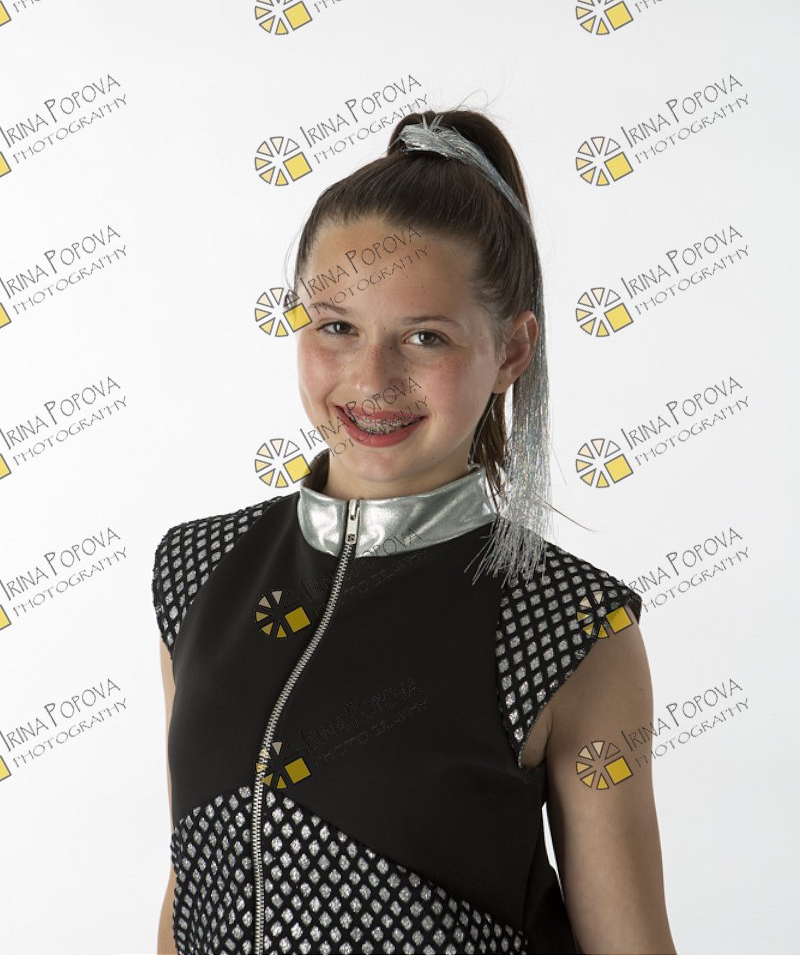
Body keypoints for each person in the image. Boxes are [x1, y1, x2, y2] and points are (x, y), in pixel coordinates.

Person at [154, 108, 677, 954]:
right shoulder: (198, 569)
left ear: (513, 350)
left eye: (426, 337)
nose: (373, 379)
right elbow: (196, 876)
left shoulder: (574, 625)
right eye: (337, 326)